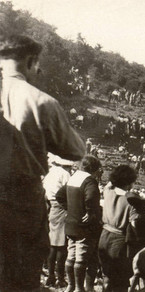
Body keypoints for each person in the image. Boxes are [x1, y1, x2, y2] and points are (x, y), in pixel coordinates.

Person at [0, 34, 86, 291]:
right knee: (23, 272)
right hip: (22, 199)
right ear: (31, 61)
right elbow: (75, 150)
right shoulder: (41, 101)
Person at [56, 155, 102, 292]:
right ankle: (79, 288)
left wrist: (69, 208)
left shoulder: (73, 178)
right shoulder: (89, 181)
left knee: (71, 255)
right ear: (93, 169)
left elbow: (59, 195)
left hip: (70, 224)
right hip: (83, 226)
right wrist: (90, 212)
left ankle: (70, 285)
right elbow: (91, 196)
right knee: (81, 258)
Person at [97, 165, 138, 291]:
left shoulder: (107, 192)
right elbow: (134, 225)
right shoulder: (131, 200)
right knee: (120, 278)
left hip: (104, 236)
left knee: (107, 274)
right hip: (119, 240)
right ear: (129, 182)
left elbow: (110, 184)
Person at [43, 154, 75, 288]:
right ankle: (60, 277)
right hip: (61, 207)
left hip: (50, 207)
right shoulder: (64, 174)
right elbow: (69, 192)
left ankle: (51, 275)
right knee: (61, 245)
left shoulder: (50, 173)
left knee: (53, 243)